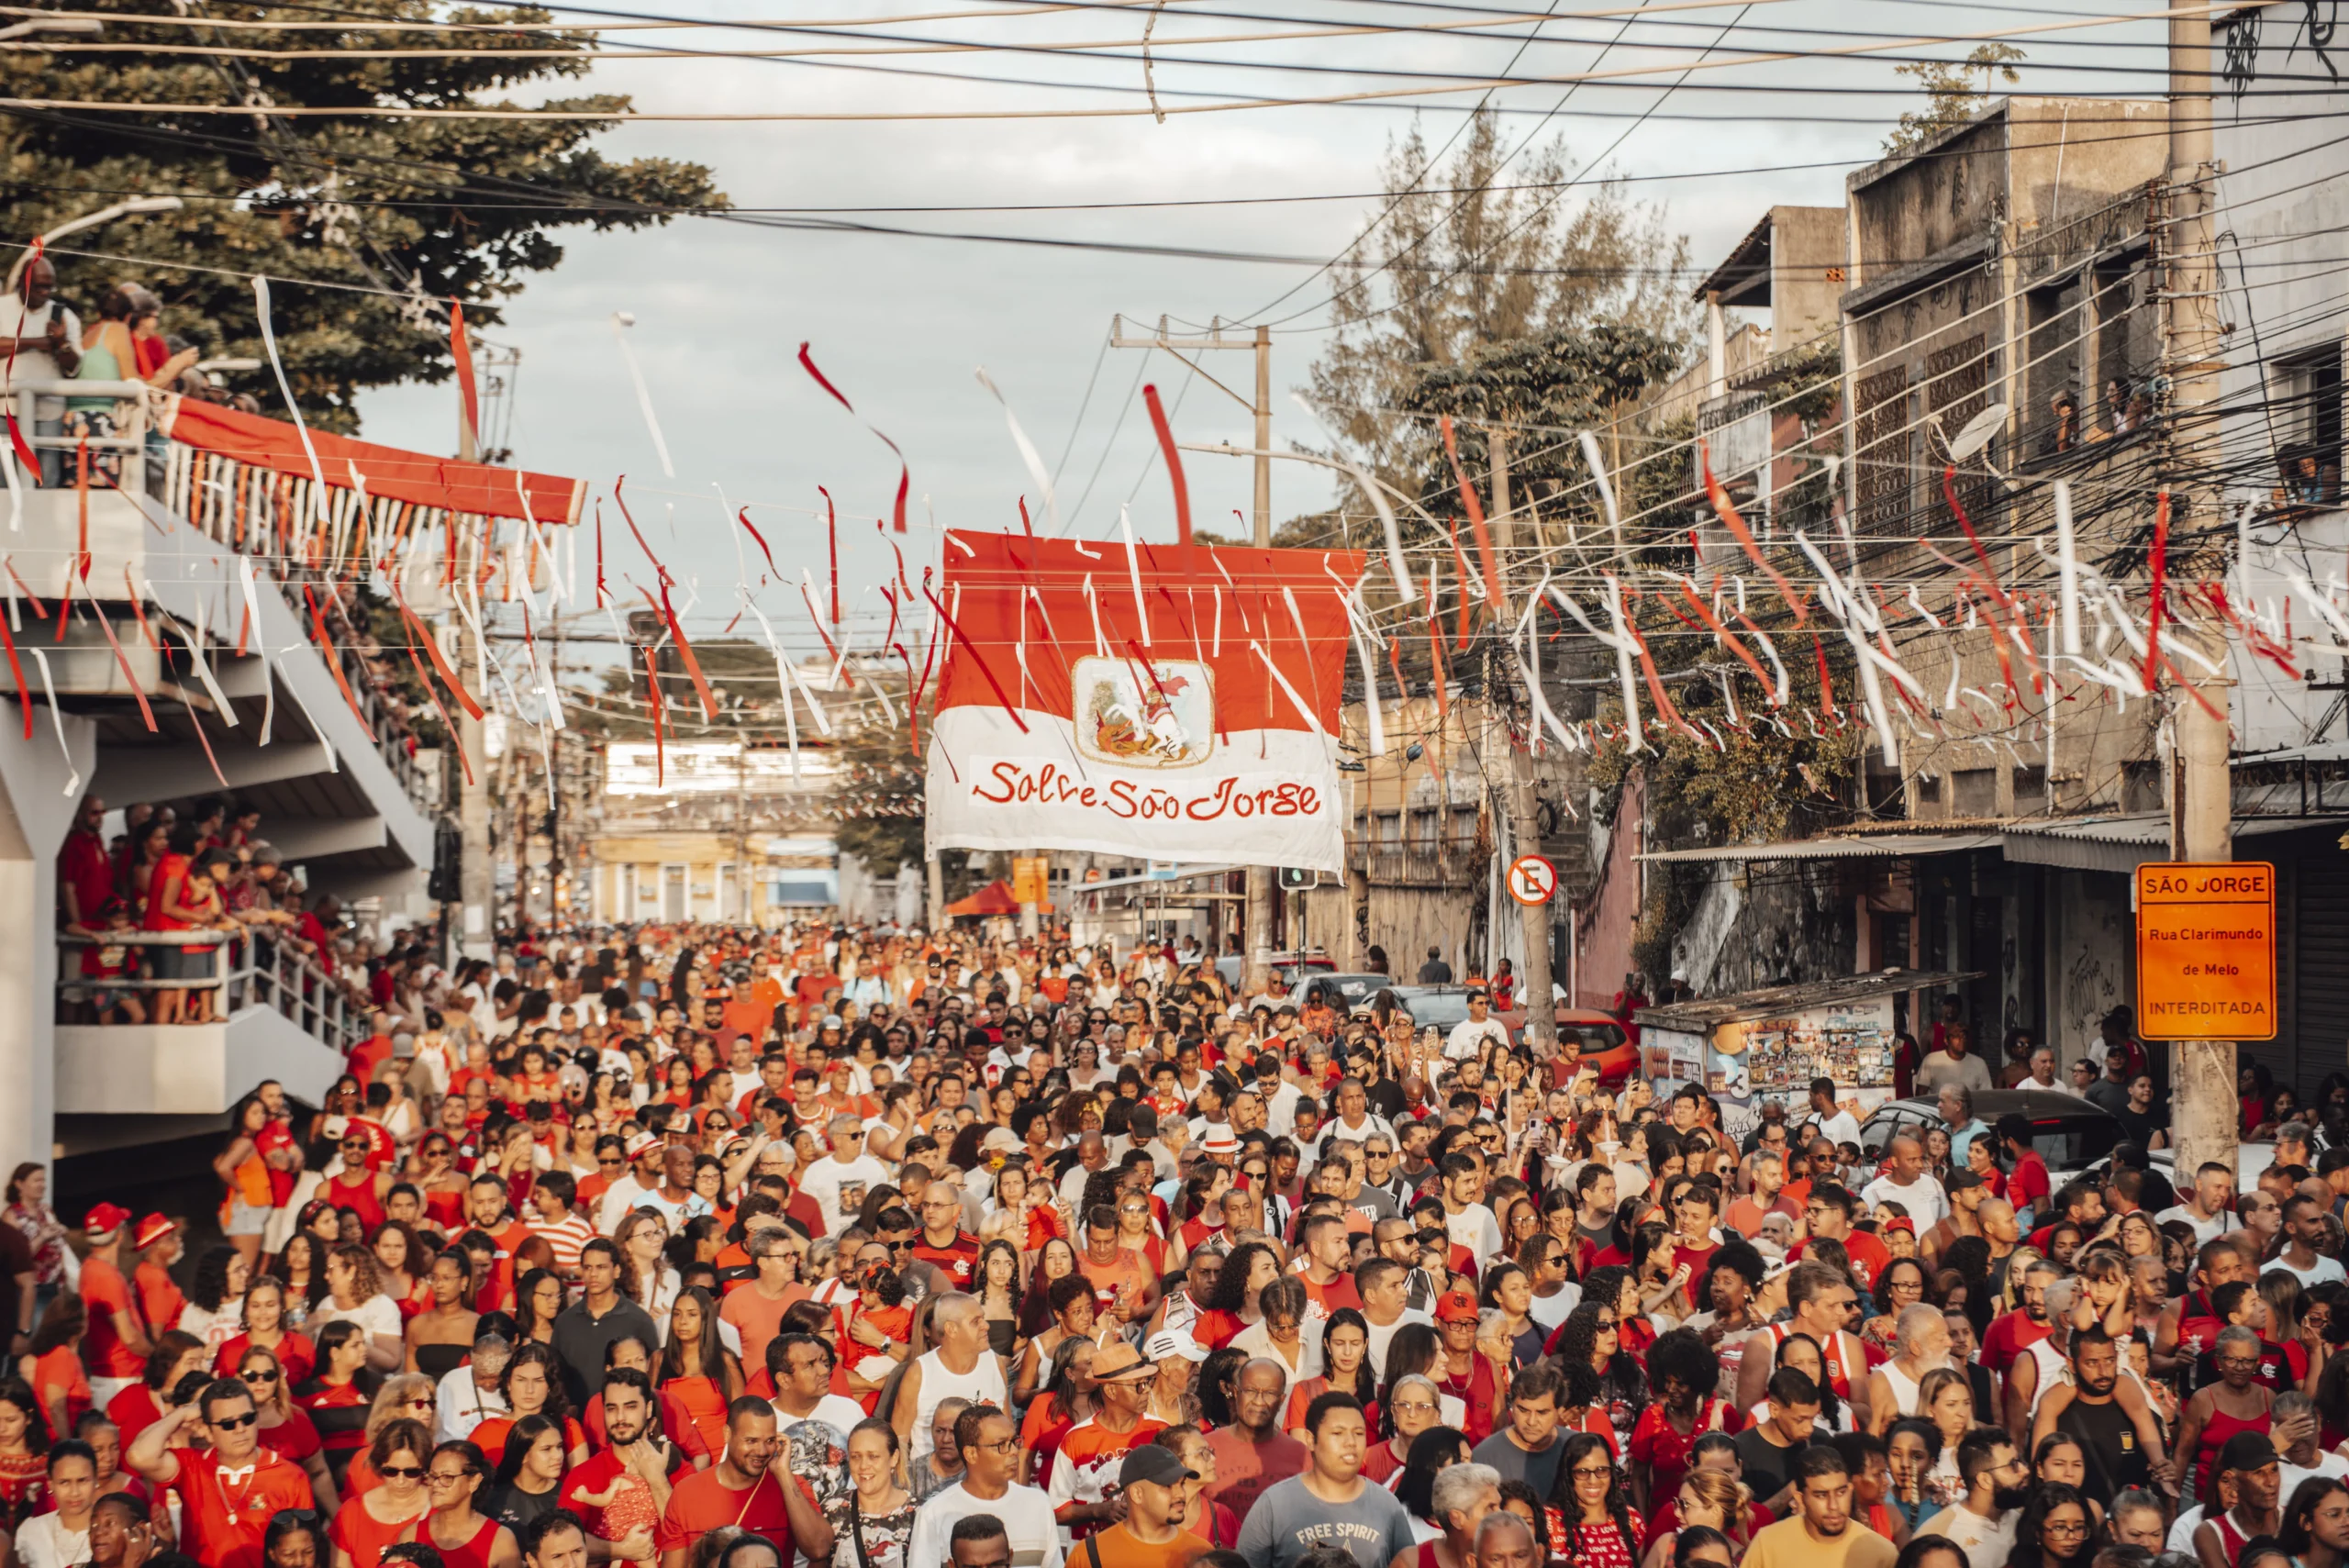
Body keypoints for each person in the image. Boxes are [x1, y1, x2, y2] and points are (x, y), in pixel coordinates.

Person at [125, 1376, 317, 1568]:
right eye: (228, 1424)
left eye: (247, 1419)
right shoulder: (192, 1465)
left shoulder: (291, 1476)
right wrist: (183, 1413)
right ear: (208, 1430)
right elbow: (139, 1456)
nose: (240, 1429)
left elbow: (304, 1547)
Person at [1236, 1394, 1414, 1568]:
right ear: (1310, 1440)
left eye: (1359, 1433)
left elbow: (1410, 1562)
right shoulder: (1274, 1505)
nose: (1351, 1442)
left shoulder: (1386, 1505)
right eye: (1338, 1433)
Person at [654, 1397, 830, 1568]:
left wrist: (783, 1474)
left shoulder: (792, 1486)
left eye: (770, 1441)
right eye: (751, 1441)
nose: (761, 1451)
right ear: (727, 1434)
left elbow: (818, 1549)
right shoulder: (686, 1492)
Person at [903, 1405, 1063, 1568]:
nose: (1014, 1451)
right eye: (1001, 1444)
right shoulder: (934, 1514)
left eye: (1015, 1442)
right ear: (971, 1454)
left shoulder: (1038, 1503)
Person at [1740, 1443, 1898, 1568]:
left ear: (1850, 1490)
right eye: (1821, 1495)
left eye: (1840, 1492)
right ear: (1800, 1499)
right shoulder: (1768, 1544)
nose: (1834, 1506)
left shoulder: (1882, 1554)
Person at [1203, 1359, 1306, 1517]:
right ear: (1236, 1393)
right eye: (1250, 1391)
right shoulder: (1206, 1447)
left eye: (1269, 1393)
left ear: (1281, 1401)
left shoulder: (1299, 1454)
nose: (1259, 1401)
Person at [1084, 1444, 1212, 1568]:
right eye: (1167, 1486)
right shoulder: (1089, 1555)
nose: (1181, 1494)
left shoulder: (1203, 1555)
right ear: (1137, 1494)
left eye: (1182, 1484)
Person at [1918, 1427, 2030, 1564]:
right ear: (1984, 1480)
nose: (2024, 1471)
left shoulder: (2026, 1519)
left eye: (2020, 1461)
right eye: (2013, 1465)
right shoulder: (1940, 1534)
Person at [827, 1418, 918, 1568]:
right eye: (856, 1456)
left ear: (894, 1458)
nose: (863, 1466)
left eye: (873, 1456)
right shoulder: (832, 1510)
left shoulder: (919, 1515)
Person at [1469, 1363, 1563, 1501]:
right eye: (1523, 1410)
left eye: (1542, 1413)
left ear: (1559, 1412)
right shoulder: (1484, 1457)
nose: (1531, 1421)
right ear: (1511, 1406)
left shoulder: (1576, 1448)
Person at [17, 1437, 99, 1568]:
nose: (74, 1492)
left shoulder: (109, 1533)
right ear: (50, 1484)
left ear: (96, 1480)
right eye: (64, 1482)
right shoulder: (31, 1531)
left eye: (82, 1481)